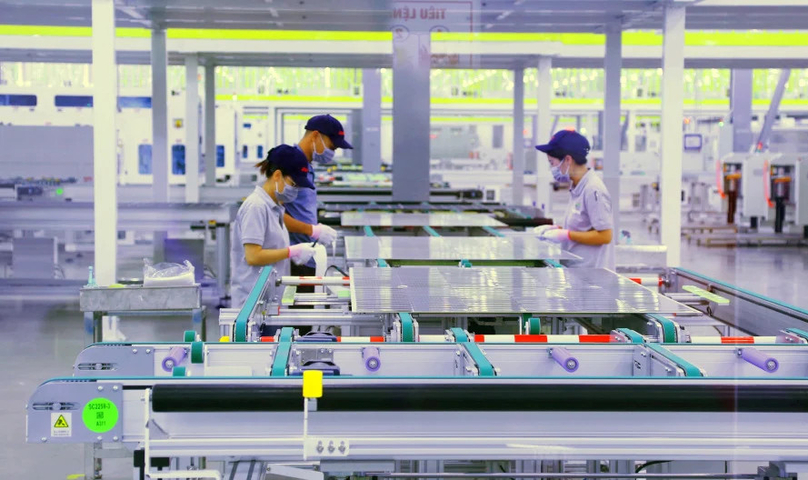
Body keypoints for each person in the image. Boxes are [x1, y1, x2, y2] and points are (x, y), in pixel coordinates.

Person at [230, 145, 319, 308]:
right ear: (277, 175)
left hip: (270, 300)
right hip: (252, 304)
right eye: (294, 184)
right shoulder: (256, 207)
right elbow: (253, 256)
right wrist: (291, 251)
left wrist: (291, 254)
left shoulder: (275, 208)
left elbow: (270, 249)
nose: (296, 190)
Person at [534, 129, 615, 270]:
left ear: (568, 160)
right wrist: (556, 230)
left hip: (592, 277)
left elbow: (605, 236)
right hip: (577, 272)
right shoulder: (577, 186)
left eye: (552, 163)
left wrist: (566, 235)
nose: (552, 168)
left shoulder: (593, 189)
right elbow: (583, 227)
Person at [284, 114, 353, 279]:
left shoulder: (305, 166)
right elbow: (273, 216)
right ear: (315, 135)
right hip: (296, 259)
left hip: (306, 255)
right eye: (332, 146)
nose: (332, 152)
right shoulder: (290, 164)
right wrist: (313, 230)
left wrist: (313, 226)